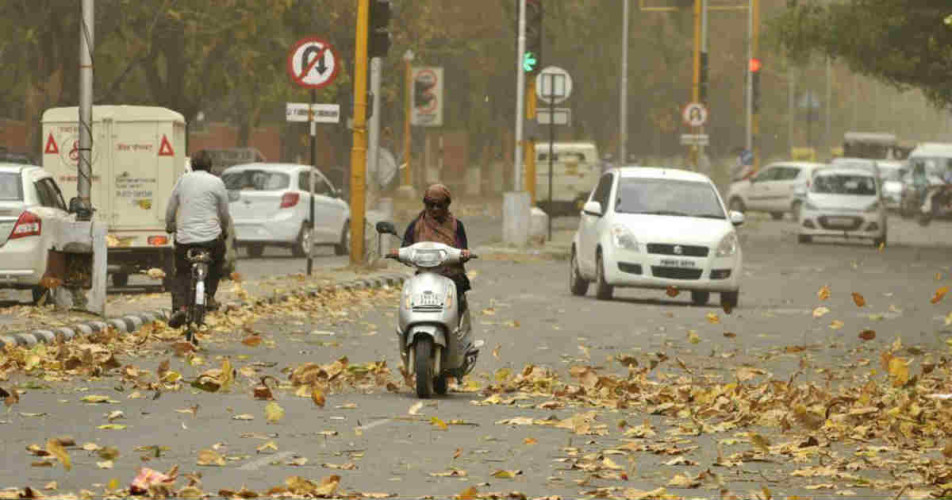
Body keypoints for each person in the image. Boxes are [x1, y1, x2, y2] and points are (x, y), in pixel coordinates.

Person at [165, 150, 232, 328]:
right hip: (211, 238)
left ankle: (179, 307)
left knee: (181, 272)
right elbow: (224, 213)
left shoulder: (183, 181)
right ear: (210, 167)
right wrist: (223, 229)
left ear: (192, 166)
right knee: (218, 262)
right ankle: (209, 295)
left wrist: (170, 224)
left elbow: (171, 207)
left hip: (185, 239)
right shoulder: (217, 182)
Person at [394, 184, 472, 310]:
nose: (435, 209)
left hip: (451, 275)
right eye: (431, 205)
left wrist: (464, 254)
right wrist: (398, 254)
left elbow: (463, 249)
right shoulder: (416, 226)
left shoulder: (456, 226)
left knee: (457, 300)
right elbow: (406, 247)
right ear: (425, 204)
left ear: (447, 204)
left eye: (439, 205)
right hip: (424, 274)